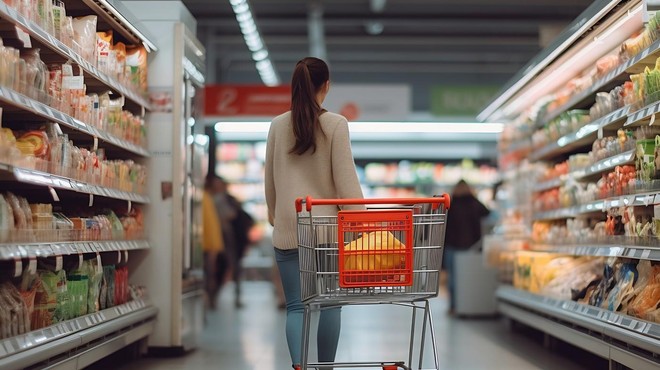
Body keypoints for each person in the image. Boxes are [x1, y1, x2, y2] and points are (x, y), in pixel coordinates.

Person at [265, 57, 364, 370]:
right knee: (330, 304)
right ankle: (325, 368)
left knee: (296, 307)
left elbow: (270, 181)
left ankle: (298, 367)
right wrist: (359, 222)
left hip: (288, 228)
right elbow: (346, 180)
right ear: (326, 86)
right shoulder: (335, 124)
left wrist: (275, 216)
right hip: (326, 231)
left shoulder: (278, 125)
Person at [444, 179, 491, 314]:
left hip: (452, 246)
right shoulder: (474, 203)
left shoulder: (451, 205)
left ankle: (453, 306)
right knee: (467, 277)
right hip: (470, 247)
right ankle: (465, 304)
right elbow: (488, 214)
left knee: (452, 278)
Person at [211, 175, 254, 308]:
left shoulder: (217, 199)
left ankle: (214, 298)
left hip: (224, 237)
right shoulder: (225, 199)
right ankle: (220, 298)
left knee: (222, 268)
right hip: (228, 238)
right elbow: (232, 214)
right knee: (229, 267)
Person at [201, 176, 224, 310]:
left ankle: (209, 300)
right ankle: (208, 300)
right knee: (208, 274)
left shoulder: (207, 198)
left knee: (210, 274)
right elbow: (210, 225)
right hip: (207, 245)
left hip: (209, 245)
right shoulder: (205, 198)